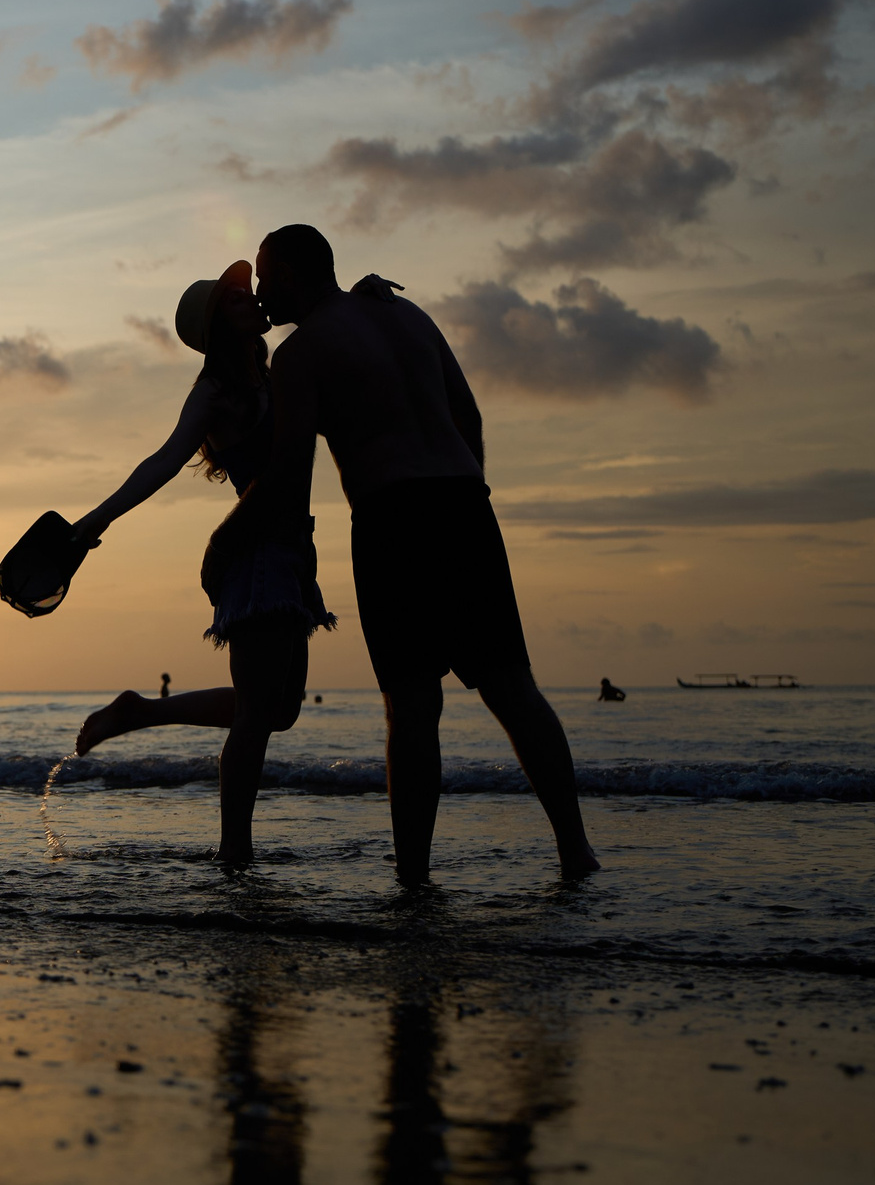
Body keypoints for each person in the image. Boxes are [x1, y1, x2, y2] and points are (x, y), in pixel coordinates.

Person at [206, 225, 597, 884]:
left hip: (393, 517)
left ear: (296, 275)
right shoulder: (407, 315)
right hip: (467, 503)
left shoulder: (304, 352)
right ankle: (576, 850)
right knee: (512, 689)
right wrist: (467, 486)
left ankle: (414, 878)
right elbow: (467, 413)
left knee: (413, 706)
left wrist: (224, 539)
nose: (264, 296)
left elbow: (286, 475)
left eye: (268, 279)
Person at [69, 259, 337, 864]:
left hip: (292, 552)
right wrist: (94, 522)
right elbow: (163, 461)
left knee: (279, 710)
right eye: (238, 301)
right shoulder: (217, 390)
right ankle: (234, 856)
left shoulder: (268, 374)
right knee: (256, 717)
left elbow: (327, 315)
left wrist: (364, 298)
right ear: (219, 328)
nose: (253, 303)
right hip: (257, 555)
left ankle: (143, 711)